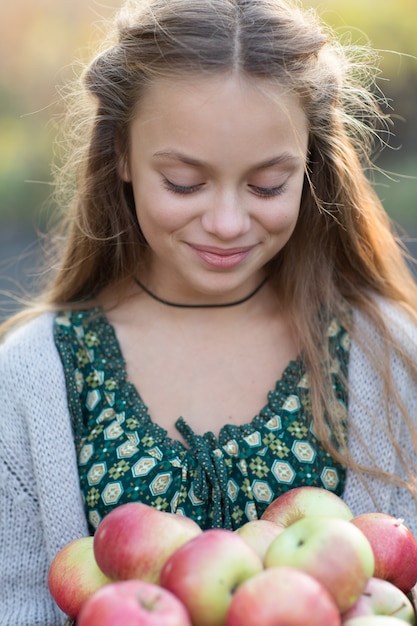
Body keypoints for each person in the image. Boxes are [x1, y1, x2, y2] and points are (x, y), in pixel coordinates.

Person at [1, 0, 417, 623]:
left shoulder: (390, 357)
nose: (226, 224)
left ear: (309, 169)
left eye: (268, 186)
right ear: (120, 155)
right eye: (185, 183)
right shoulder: (30, 379)